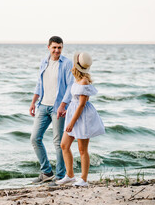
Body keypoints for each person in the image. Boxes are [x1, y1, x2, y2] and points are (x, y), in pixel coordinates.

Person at [56, 52, 105, 187]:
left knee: (82, 149)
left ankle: (83, 179)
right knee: (64, 145)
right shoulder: (76, 79)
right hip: (73, 113)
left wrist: (72, 122)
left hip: (82, 117)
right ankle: (70, 175)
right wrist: (67, 111)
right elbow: (75, 101)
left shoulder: (84, 81)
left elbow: (82, 105)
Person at [29, 36, 74, 184]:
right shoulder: (44, 61)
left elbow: (70, 86)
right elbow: (39, 83)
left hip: (57, 108)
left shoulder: (67, 63)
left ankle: (60, 176)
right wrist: (33, 102)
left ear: (62, 48)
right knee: (35, 138)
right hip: (43, 105)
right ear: (48, 47)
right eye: (54, 47)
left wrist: (63, 105)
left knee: (58, 142)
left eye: (59, 47)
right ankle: (47, 172)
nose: (57, 50)